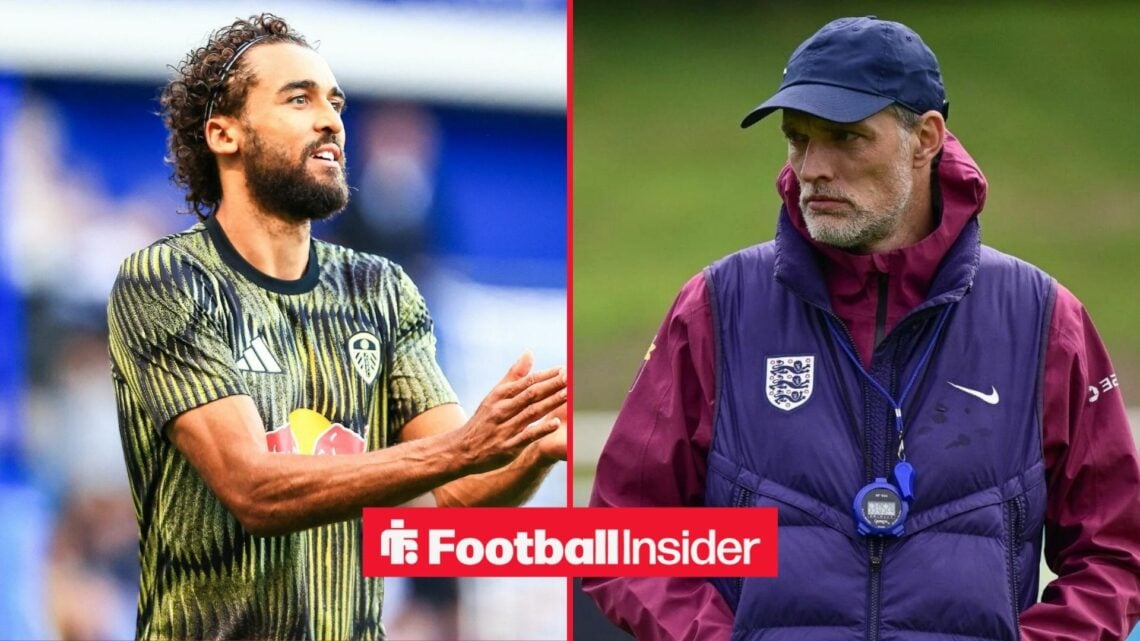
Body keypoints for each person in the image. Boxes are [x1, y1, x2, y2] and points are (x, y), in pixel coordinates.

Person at [583, 16, 1140, 641]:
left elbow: (1116, 554)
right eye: (798, 140)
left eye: (846, 138)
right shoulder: (717, 306)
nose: (812, 168)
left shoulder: (1043, 318)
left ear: (926, 137)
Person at [106, 13, 567, 640]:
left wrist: (534, 444)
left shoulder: (380, 288)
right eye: (299, 99)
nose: (330, 120)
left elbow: (463, 493)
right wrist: (460, 449)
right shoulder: (165, 280)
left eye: (335, 103)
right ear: (224, 134)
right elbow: (252, 490)